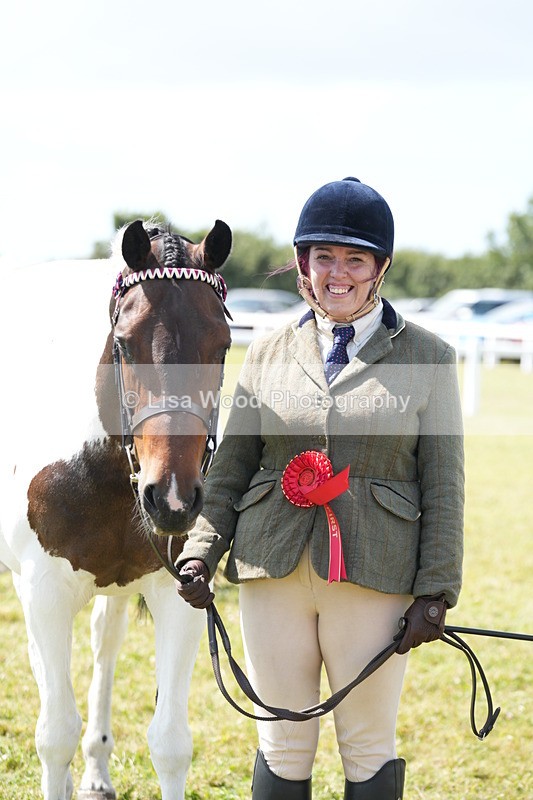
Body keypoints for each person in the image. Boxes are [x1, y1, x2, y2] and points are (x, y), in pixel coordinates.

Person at [176, 177, 464, 799]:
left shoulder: (430, 358)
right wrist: (200, 551)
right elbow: (230, 470)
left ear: (380, 268)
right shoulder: (269, 350)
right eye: (323, 257)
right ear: (303, 264)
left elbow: (445, 488)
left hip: (376, 576)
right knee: (281, 741)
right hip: (271, 567)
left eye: (355, 259)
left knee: (366, 745)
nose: (338, 273)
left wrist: (437, 591)